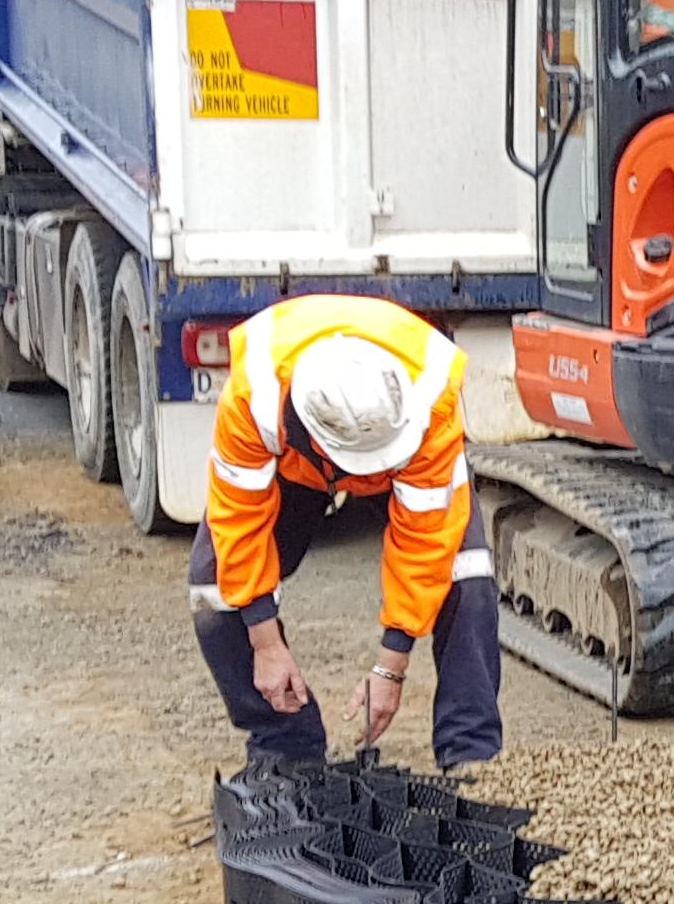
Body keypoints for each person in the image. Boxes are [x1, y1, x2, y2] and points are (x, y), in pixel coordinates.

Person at [190, 294, 503, 770]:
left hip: (402, 464)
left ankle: (471, 753)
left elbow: (426, 545)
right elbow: (239, 525)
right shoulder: (254, 396)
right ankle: (286, 745)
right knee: (214, 585)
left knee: (467, 572)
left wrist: (391, 666)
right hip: (296, 471)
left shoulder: (430, 402)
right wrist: (265, 644)